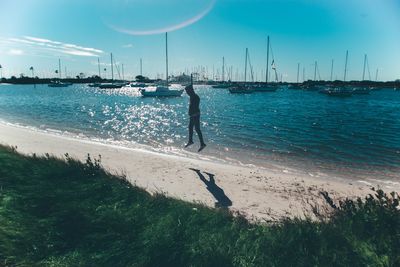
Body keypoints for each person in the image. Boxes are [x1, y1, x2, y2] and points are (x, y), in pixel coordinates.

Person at [185, 85, 206, 152]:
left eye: (187, 91)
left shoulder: (195, 97)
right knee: (191, 127)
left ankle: (202, 144)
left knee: (197, 129)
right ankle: (191, 141)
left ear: (191, 90)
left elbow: (195, 107)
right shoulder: (192, 96)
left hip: (195, 115)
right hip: (193, 115)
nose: (187, 93)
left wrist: (192, 114)